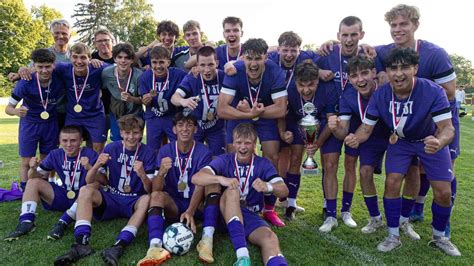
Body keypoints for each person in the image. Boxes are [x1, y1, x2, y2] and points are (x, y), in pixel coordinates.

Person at [345, 48, 460, 256]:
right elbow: (366, 128)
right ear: (386, 72)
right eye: (393, 68)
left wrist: (439, 141)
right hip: (401, 142)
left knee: (443, 191)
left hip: (429, 140)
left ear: (415, 68)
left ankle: (440, 236)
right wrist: (355, 137)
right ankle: (393, 235)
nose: (399, 74)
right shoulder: (381, 94)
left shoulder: (433, 91)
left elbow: (448, 128)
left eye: (405, 67)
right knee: (392, 181)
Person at [375, 4, 458, 237]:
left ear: (416, 25)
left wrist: (414, 86)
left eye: (404, 24)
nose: (398, 29)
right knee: (411, 170)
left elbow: (450, 92)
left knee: (444, 174)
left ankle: (444, 226)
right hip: (407, 124)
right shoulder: (385, 52)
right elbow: (362, 49)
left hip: (439, 119)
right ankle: (415, 211)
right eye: (394, 25)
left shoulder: (434, 53)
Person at [54, 115, 156, 265]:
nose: (131, 137)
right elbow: (90, 180)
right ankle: (81, 243)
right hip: (112, 197)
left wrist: (141, 174)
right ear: (121, 133)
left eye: (135, 133)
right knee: (86, 190)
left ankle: (119, 245)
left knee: (147, 199)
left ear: (141, 133)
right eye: (127, 133)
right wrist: (95, 166)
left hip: (134, 199)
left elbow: (149, 189)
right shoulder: (111, 148)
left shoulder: (148, 152)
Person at [193, 123, 289, 266]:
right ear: (233, 143)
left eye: (247, 143)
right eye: (239, 142)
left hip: (249, 215)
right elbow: (196, 178)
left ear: (254, 144)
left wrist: (268, 186)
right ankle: (242, 257)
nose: (243, 147)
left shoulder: (263, 164)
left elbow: (284, 190)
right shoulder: (225, 160)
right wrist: (221, 179)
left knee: (269, 237)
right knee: (232, 190)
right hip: (223, 215)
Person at [218, 38, 287, 227]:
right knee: (233, 156)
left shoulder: (274, 72)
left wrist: (256, 113)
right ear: (242, 57)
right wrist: (248, 113)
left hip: (264, 115)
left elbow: (281, 109)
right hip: (239, 113)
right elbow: (222, 109)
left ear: (266, 56)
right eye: (249, 58)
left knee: (272, 155)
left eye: (258, 58)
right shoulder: (235, 70)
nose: (253, 63)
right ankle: (236, 202)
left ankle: (269, 209)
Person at [137, 113, 220, 265]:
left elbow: (201, 184)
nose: (185, 129)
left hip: (198, 204)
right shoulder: (164, 151)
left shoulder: (204, 151)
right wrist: (161, 172)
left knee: (212, 183)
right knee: (156, 196)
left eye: (189, 125)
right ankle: (155, 248)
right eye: (180, 125)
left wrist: (190, 211)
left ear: (195, 129)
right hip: (174, 204)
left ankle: (207, 241)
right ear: (174, 129)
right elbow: (155, 189)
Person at [313, 16, 368, 227]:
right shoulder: (326, 53)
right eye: (345, 35)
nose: (349, 39)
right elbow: (304, 64)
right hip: (331, 118)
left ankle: (346, 210)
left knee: (351, 164)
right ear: (338, 36)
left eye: (354, 34)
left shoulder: (369, 54)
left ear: (361, 35)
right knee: (329, 164)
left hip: (356, 119)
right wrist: (318, 71)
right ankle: (329, 213)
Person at [328, 54, 390, 233]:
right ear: (349, 78)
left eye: (364, 73)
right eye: (354, 76)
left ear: (374, 73)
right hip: (369, 135)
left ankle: (404, 219)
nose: (360, 79)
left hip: (395, 135)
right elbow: (343, 130)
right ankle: (375, 218)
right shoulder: (348, 94)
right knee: (364, 171)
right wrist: (335, 127)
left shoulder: (387, 88)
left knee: (399, 175)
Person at [3, 126, 97, 241]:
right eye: (64, 141)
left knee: (91, 186)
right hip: (64, 194)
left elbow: (100, 182)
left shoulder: (90, 154)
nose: (68, 144)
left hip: (83, 200)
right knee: (33, 182)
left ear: (81, 141)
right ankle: (26, 222)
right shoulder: (55, 154)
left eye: (73, 140)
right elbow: (34, 177)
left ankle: (63, 222)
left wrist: (89, 167)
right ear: (59, 141)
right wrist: (32, 168)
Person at [278, 60, 339, 229]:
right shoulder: (289, 90)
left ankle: (329, 208)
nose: (306, 89)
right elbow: (282, 114)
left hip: (325, 127)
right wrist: (284, 132)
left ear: (317, 81)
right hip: (299, 125)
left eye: (311, 85)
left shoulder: (327, 89)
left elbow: (331, 119)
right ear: (296, 82)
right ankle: (291, 204)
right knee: (296, 157)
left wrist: (317, 143)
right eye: (301, 85)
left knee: (330, 163)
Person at [268, 31, 321, 216]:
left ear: (300, 50)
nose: (289, 54)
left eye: (293, 50)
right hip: (279, 115)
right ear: (279, 49)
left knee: (296, 159)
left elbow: (324, 51)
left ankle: (290, 202)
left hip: (299, 117)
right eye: (285, 50)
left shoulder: (306, 58)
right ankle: (277, 198)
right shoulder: (270, 59)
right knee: (279, 158)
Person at [5, 49, 64, 191]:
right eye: (40, 67)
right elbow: (8, 108)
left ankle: (45, 188)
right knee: (26, 160)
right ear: (34, 67)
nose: (44, 70)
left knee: (47, 159)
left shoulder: (59, 78)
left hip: (51, 124)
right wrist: (17, 112)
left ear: (53, 65)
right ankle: (25, 190)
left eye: (47, 66)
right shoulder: (25, 83)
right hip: (30, 125)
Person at [54, 43, 108, 153]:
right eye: (75, 57)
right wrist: (22, 71)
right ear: (70, 58)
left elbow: (120, 66)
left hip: (95, 116)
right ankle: (72, 170)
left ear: (90, 58)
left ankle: (97, 170)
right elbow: (42, 67)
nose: (79, 61)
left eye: (83, 57)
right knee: (69, 148)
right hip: (73, 116)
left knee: (98, 149)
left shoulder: (97, 68)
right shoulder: (63, 68)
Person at [172, 46, 226, 157]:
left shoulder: (224, 76)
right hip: (196, 126)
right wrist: (183, 101)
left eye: (210, 64)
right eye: (202, 65)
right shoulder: (192, 77)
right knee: (192, 157)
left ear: (217, 62)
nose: (206, 70)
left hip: (217, 126)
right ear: (197, 65)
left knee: (219, 159)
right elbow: (174, 98)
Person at [139, 46, 187, 153]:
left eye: (161, 62)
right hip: (153, 115)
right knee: (152, 148)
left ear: (168, 62)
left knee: (179, 146)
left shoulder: (178, 74)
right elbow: (143, 100)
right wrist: (145, 100)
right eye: (154, 62)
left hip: (173, 115)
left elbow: (190, 82)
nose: (158, 66)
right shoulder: (145, 77)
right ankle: (154, 169)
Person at [101, 42, 143, 141]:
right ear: (114, 58)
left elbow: (144, 100)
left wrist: (131, 98)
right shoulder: (106, 73)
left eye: (127, 58)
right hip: (116, 114)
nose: (123, 61)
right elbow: (101, 88)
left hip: (135, 114)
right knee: (117, 142)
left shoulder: (139, 76)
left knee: (134, 142)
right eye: (119, 57)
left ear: (132, 60)